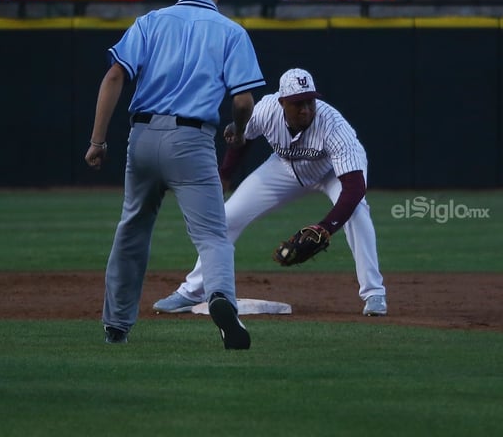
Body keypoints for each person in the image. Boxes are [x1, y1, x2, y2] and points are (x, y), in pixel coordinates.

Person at [85, 0, 266, 348]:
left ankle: (116, 326)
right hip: (193, 141)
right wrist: (238, 127)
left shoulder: (149, 22)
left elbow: (115, 74)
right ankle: (219, 296)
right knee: (213, 236)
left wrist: (98, 141)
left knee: (132, 230)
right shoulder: (231, 31)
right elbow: (244, 100)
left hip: (144, 136)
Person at [151, 68, 388, 317]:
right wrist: (225, 175)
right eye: (298, 103)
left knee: (357, 212)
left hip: (331, 172)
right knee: (227, 217)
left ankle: (374, 293)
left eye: (310, 101)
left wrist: (325, 228)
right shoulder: (265, 110)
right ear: (282, 102)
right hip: (284, 168)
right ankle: (191, 292)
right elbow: (244, 137)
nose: (306, 108)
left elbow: (353, 188)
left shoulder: (335, 127)